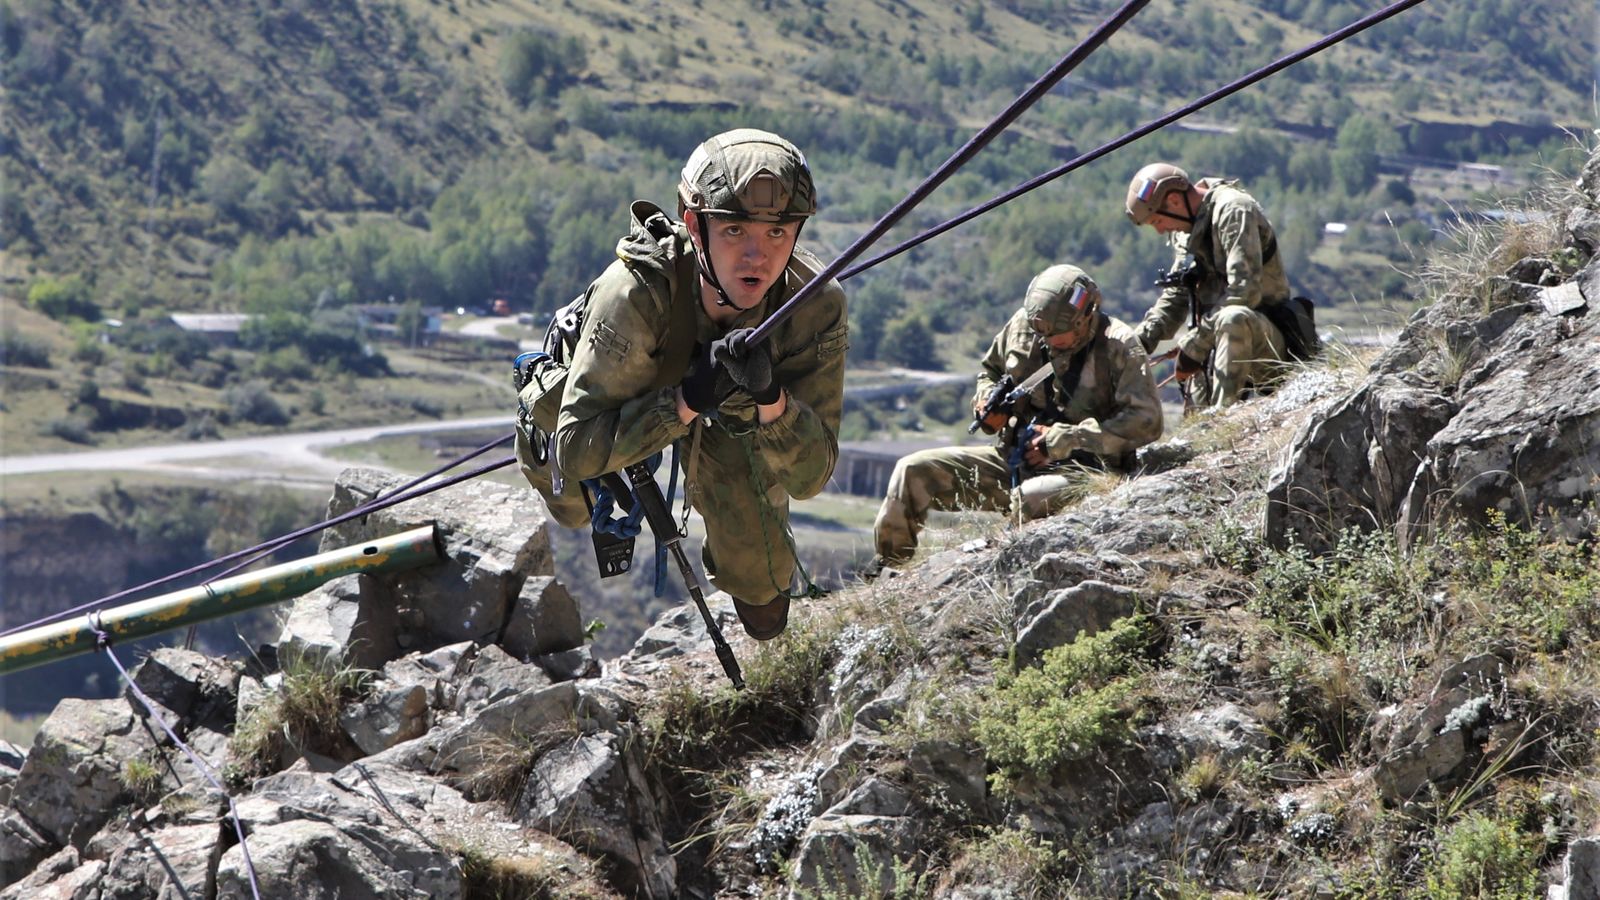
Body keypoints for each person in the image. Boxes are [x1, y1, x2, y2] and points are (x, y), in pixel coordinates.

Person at [514, 129, 848, 640]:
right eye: (736, 231)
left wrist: (770, 400)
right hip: (614, 401)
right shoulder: (634, 293)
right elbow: (576, 449)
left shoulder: (813, 305)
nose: (758, 256)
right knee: (575, 511)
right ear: (694, 225)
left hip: (734, 413)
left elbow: (810, 479)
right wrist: (688, 400)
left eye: (777, 234)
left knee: (763, 594)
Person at [870, 265, 1161, 569]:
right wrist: (985, 402)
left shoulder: (1119, 346)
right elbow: (991, 371)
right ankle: (889, 570)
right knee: (911, 469)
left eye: (1057, 336)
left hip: (1087, 473)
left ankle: (1006, 572)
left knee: (1028, 496)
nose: (1047, 341)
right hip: (1014, 459)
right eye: (1042, 333)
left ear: (1085, 316)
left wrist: (1068, 439)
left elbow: (1147, 420)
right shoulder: (1026, 326)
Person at [1124, 162, 1292, 408]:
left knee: (1233, 318)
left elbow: (1244, 292)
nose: (1161, 231)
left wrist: (1194, 345)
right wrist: (1131, 349)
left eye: (1157, 221)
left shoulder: (1234, 211)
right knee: (1194, 428)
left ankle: (1222, 423)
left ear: (1174, 202)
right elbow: (1175, 299)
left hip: (1268, 345)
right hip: (1213, 347)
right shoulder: (1186, 231)